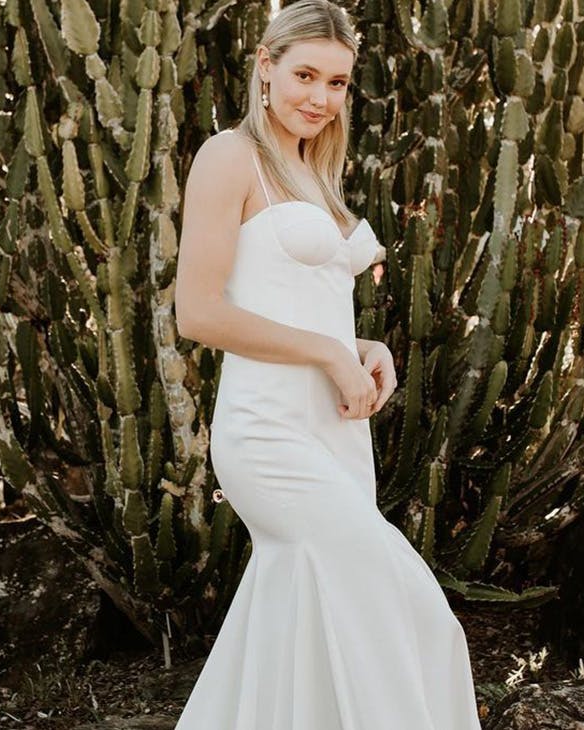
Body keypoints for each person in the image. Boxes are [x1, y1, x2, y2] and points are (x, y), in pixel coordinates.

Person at [173, 1, 480, 727]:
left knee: (308, 624)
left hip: (334, 431)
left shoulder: (313, 171)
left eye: (337, 82)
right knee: (406, 605)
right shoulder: (229, 156)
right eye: (305, 74)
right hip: (269, 432)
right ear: (265, 67)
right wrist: (327, 354)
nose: (319, 96)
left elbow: (302, 302)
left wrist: (362, 349)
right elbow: (199, 312)